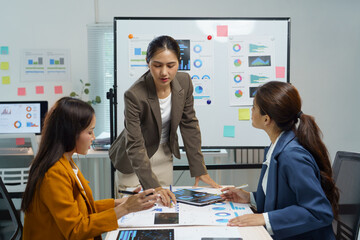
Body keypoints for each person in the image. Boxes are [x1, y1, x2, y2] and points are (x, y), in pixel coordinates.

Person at [21, 97, 158, 240]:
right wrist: (126, 208)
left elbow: (81, 210)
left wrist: (123, 202)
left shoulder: (65, 162)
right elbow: (76, 230)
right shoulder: (54, 173)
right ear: (70, 133)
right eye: (90, 132)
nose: (93, 137)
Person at [109, 35, 220, 206]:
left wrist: (199, 168)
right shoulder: (134, 95)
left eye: (170, 65)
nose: (164, 72)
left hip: (164, 156)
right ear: (148, 62)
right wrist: (153, 186)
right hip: (135, 161)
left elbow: (189, 124)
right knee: (135, 212)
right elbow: (135, 145)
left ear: (179, 62)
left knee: (165, 209)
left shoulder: (184, 82)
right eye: (157, 65)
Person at [221, 81, 339, 240]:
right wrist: (250, 198)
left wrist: (265, 218)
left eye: (254, 107)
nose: (251, 111)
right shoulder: (277, 148)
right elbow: (284, 198)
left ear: (266, 119)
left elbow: (318, 211)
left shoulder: (291, 156)